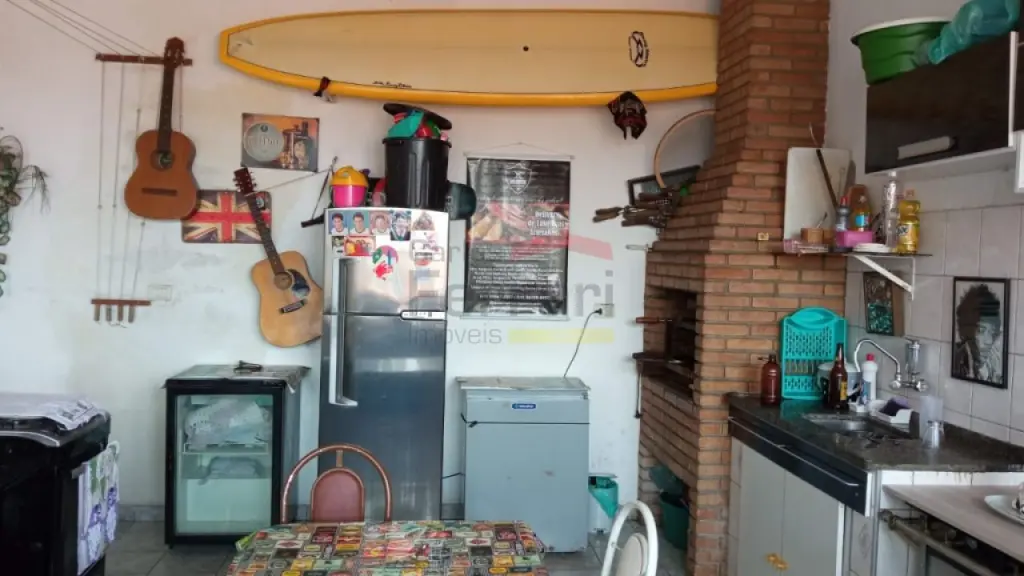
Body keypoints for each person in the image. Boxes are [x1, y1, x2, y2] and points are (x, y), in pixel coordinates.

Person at [952, 284, 1004, 384]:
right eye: (981, 331)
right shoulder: (956, 358)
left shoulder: (998, 366)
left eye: (990, 332)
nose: (988, 340)